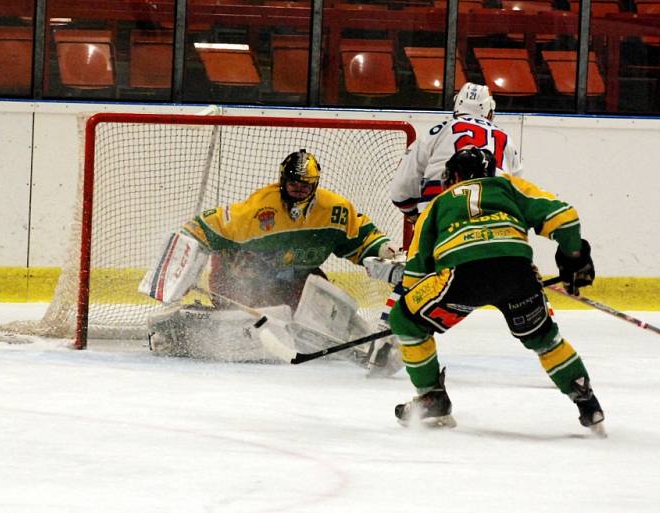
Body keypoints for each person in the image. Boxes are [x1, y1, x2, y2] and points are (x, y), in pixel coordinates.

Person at [370, 146, 603, 434]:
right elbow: (564, 217)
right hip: (516, 274)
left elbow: (417, 268)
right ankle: (587, 401)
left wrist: (410, 312)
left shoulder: (438, 203)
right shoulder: (508, 186)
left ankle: (432, 398)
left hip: (462, 278)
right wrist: (574, 257)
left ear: (452, 176)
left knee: (404, 319)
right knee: (544, 338)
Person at [139, 149, 402, 374]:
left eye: (306, 184)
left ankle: (369, 346)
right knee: (256, 325)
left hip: (295, 278)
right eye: (293, 183)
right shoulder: (258, 211)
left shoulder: (335, 211)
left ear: (315, 184)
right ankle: (174, 329)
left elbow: (364, 238)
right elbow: (200, 227)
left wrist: (384, 251)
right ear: (282, 181)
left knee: (316, 310)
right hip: (238, 277)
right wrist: (178, 270)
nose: (299, 189)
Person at [390, 82, 524, 225]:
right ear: (490, 110)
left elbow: (402, 189)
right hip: (493, 223)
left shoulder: (436, 131)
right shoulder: (507, 140)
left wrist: (414, 215)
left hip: (441, 217)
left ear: (457, 104)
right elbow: (517, 191)